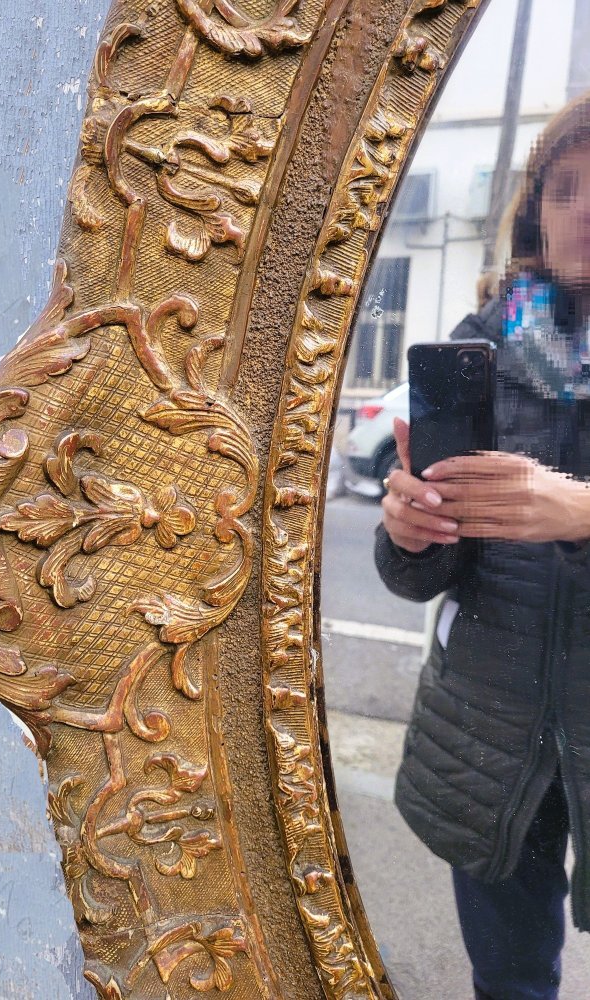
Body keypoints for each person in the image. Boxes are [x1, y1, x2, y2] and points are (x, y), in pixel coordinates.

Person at [375, 93, 590, 1000]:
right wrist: (408, 532)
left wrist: (580, 511)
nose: (585, 209)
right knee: (509, 979)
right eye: (566, 187)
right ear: (536, 209)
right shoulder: (483, 348)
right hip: (490, 740)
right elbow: (422, 571)